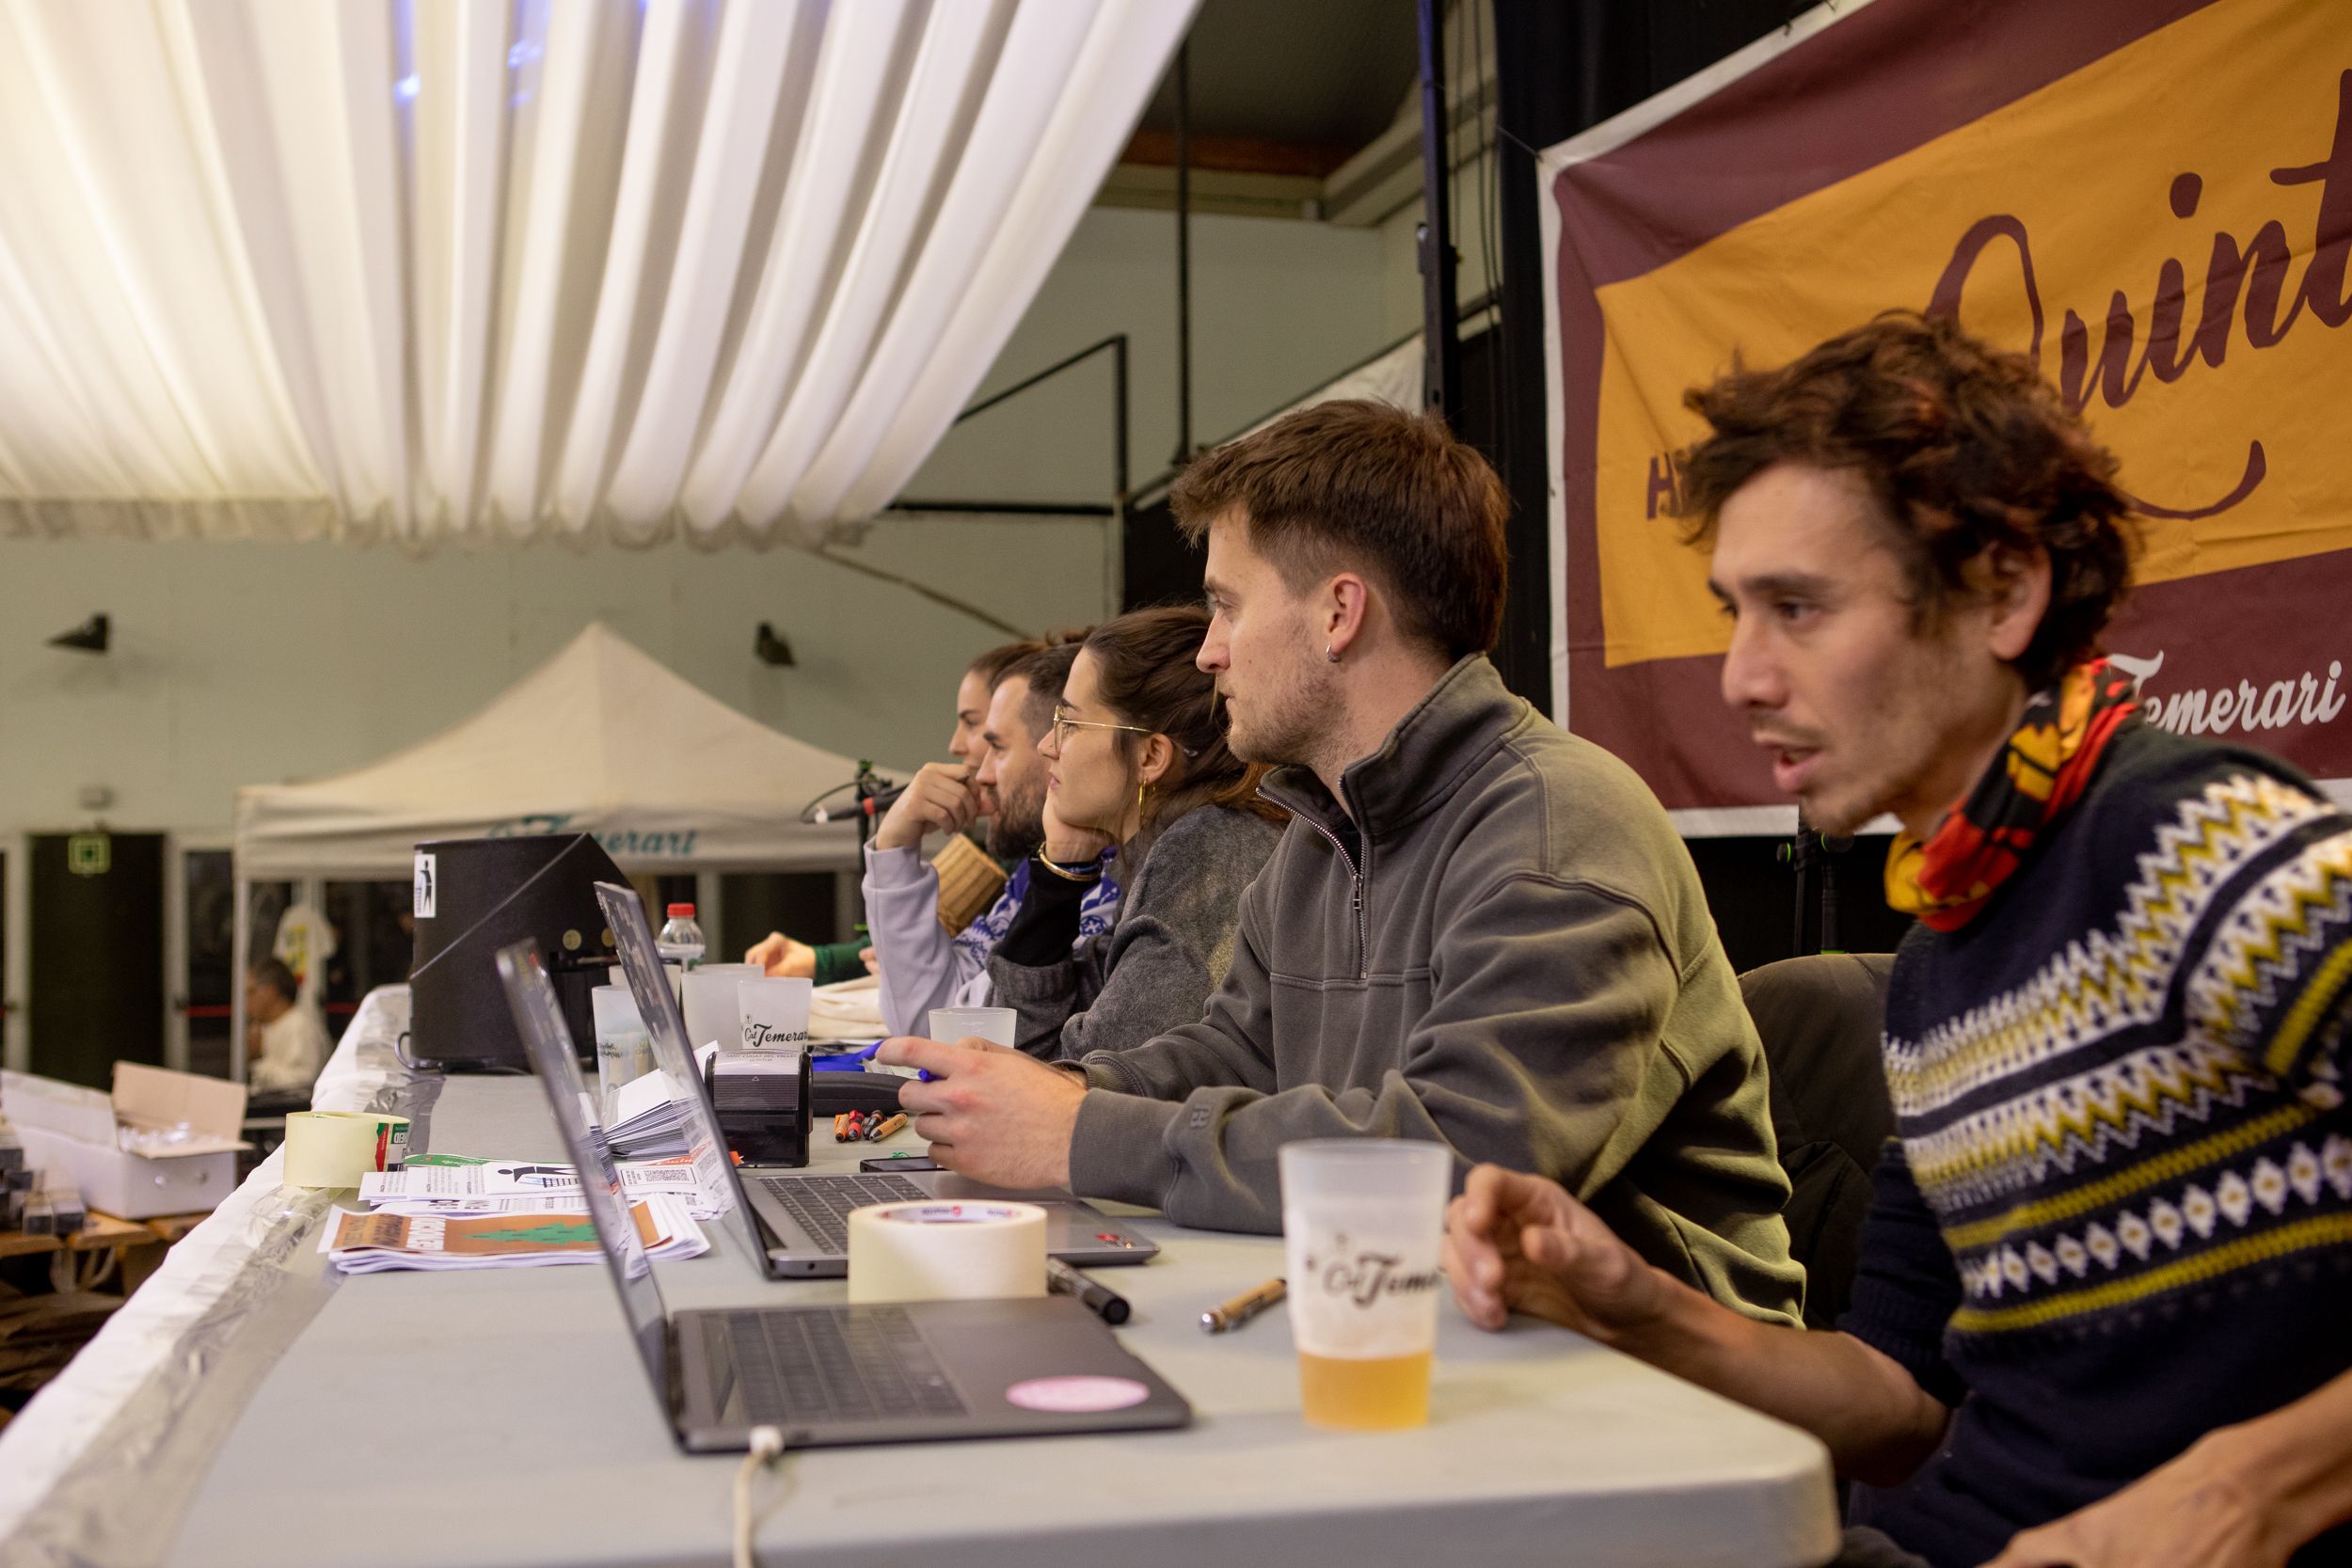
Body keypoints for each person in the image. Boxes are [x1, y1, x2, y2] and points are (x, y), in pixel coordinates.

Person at [1442, 313, 2352, 1568]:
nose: (1742, 677)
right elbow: (1901, 1403)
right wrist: (1636, 1303)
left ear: (2003, 589)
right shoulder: (1943, 952)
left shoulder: (2190, 840)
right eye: (1735, 613)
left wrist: (2251, 1487)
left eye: (1798, 609)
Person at [881, 399, 1804, 1325]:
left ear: (1337, 611)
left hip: (1647, 1390)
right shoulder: (1321, 833)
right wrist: (1048, 1095)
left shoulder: (1556, 823)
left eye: (1226, 605)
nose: (1208, 650)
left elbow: (1462, 1155)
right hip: (1432, 1328)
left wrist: (1083, 1134)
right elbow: (1237, 1050)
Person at [984, 606, 1286, 1059]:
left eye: (1069, 723)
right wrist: (1061, 871)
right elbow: (1015, 1048)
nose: (1048, 746)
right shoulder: (1172, 842)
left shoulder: (1207, 852)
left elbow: (1095, 1078)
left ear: (1149, 758)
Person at [866, 640, 1123, 1036]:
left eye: (997, 746)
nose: (981, 772)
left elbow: (948, 1031)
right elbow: (938, 1017)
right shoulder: (1037, 867)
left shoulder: (1112, 880)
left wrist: (895, 853)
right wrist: (893, 845)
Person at [744, 638, 1039, 984]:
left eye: (973, 724)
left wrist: (895, 839)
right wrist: (815, 960)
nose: (955, 744)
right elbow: (899, 943)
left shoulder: (1057, 870)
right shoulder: (1010, 861)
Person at [246, 957, 331, 1098]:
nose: (246, 1002)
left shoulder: (300, 1026)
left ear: (270, 992)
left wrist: (259, 1059)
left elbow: (301, 1084)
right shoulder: (266, 1027)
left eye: (251, 992)